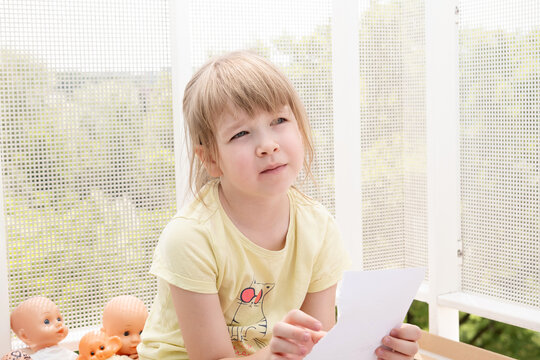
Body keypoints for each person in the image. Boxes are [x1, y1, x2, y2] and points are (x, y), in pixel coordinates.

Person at [138, 50, 421, 360]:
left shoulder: (318, 227)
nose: (268, 145)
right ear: (211, 159)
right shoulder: (191, 237)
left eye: (279, 121)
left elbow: (318, 345)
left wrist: (381, 351)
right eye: (241, 133)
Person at [10, 296, 78, 360]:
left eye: (59, 319)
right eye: (47, 322)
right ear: (25, 336)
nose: (59, 323)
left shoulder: (70, 354)